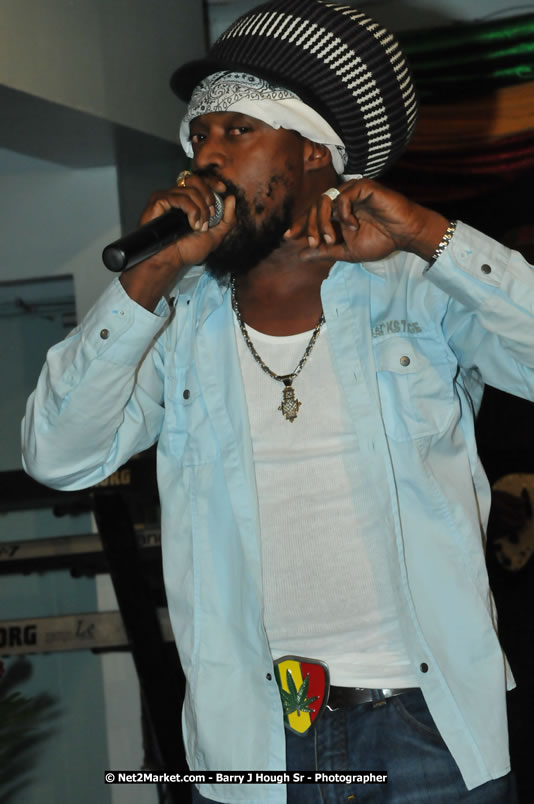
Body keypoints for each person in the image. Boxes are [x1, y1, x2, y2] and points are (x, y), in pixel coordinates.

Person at [21, 1, 531, 801]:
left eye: (238, 131)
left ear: (315, 152)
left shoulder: (416, 286)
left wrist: (431, 237)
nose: (207, 156)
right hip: (255, 737)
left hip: (428, 725)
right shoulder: (176, 317)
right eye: (200, 135)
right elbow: (57, 456)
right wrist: (145, 281)